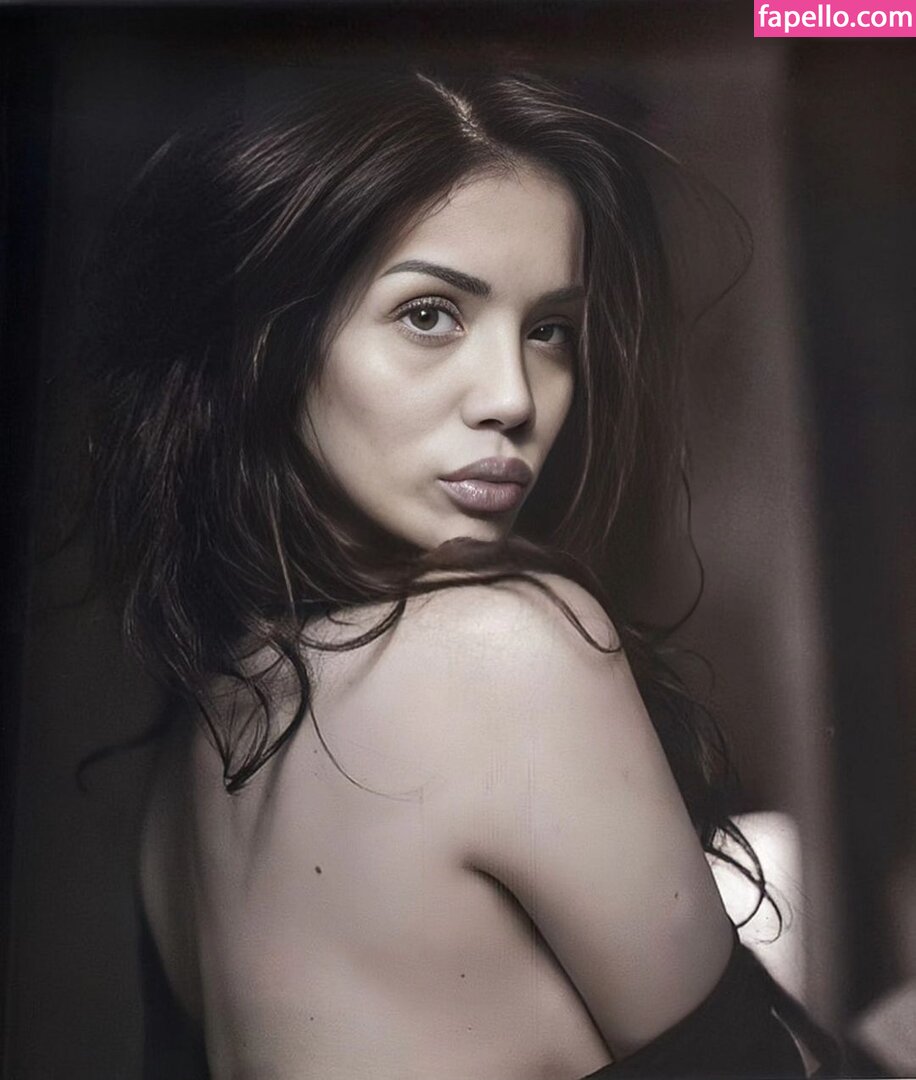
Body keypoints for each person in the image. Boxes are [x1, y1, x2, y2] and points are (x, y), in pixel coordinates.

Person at [84, 65, 841, 1078]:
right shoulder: (501, 649)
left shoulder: (214, 714)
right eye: (430, 314)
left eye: (549, 330)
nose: (513, 397)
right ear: (270, 343)